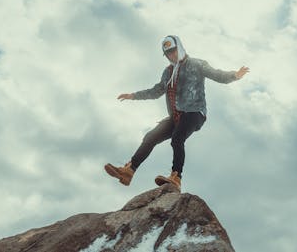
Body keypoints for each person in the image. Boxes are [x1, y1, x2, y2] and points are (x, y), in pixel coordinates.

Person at [104, 35, 249, 190]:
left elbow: (217, 74)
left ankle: (176, 177)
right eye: (168, 54)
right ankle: (129, 171)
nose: (171, 55)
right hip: (176, 116)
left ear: (179, 48)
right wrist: (133, 96)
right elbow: (157, 91)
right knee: (150, 137)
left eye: (173, 51)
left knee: (177, 138)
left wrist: (234, 75)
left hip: (195, 113)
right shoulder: (168, 72)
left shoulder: (197, 64)